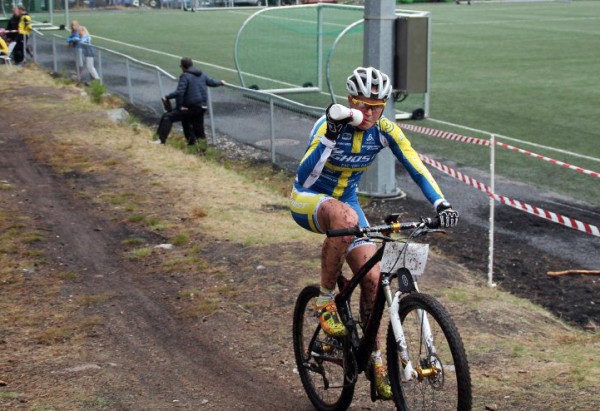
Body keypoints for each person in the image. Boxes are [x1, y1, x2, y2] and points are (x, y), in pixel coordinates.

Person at [289, 66, 459, 400]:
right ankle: (324, 302)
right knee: (343, 214)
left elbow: (415, 165)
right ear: (349, 102)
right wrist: (329, 138)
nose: (369, 113)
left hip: (348, 203)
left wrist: (441, 203)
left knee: (373, 279)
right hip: (309, 200)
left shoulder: (384, 130)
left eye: (376, 107)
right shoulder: (327, 125)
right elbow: (304, 179)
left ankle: (376, 361)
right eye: (363, 105)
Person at [156, 57, 224, 146]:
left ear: (183, 66)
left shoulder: (185, 76)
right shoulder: (201, 74)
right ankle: (200, 150)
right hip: (202, 107)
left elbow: (179, 92)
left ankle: (161, 141)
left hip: (191, 107)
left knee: (168, 117)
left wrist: (167, 97)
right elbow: (211, 82)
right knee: (198, 130)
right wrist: (220, 82)